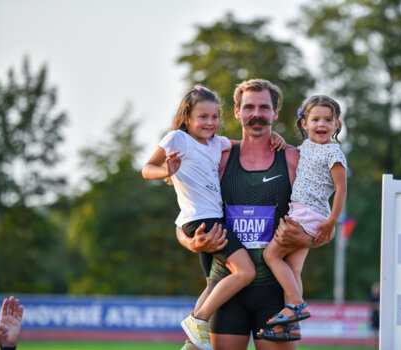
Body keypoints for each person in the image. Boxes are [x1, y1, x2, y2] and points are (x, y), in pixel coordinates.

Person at [177, 79, 323, 350]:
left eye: (264, 108)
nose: (257, 114)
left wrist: (306, 238)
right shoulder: (217, 158)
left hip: (276, 293)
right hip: (226, 290)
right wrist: (191, 242)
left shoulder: (294, 160)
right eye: (249, 107)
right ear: (236, 111)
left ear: (275, 113)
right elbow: (186, 216)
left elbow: (325, 227)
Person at [142, 85, 284, 350]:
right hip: (203, 222)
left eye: (214, 117)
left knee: (213, 284)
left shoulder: (217, 144)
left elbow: (248, 143)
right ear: (187, 118)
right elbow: (146, 169)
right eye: (203, 117)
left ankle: (191, 344)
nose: (210, 123)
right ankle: (199, 320)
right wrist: (166, 171)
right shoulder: (176, 138)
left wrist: (274, 136)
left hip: (213, 219)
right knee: (245, 271)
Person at [258, 95, 347, 341]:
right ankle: (291, 326)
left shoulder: (333, 152)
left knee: (271, 255)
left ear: (337, 124)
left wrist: (332, 222)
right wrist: (277, 138)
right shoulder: (306, 147)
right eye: (315, 119)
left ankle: (297, 304)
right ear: (304, 123)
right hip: (302, 211)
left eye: (328, 120)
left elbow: (341, 189)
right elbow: (289, 151)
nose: (322, 124)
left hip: (308, 213)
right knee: (294, 268)